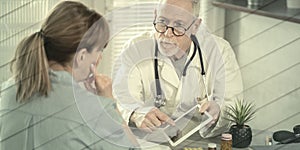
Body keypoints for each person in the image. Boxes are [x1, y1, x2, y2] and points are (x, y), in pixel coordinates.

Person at [0, 1, 139, 149]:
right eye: (100, 50)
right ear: (82, 56)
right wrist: (108, 101)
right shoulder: (92, 110)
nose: (100, 58)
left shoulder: (7, 92)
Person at [112, 0, 243, 140]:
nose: (168, 33)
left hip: (201, 142)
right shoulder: (135, 49)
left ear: (195, 26)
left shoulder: (220, 51)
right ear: (155, 16)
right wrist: (137, 113)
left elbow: (231, 104)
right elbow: (122, 98)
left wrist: (218, 111)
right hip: (151, 142)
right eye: (162, 21)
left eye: (179, 25)